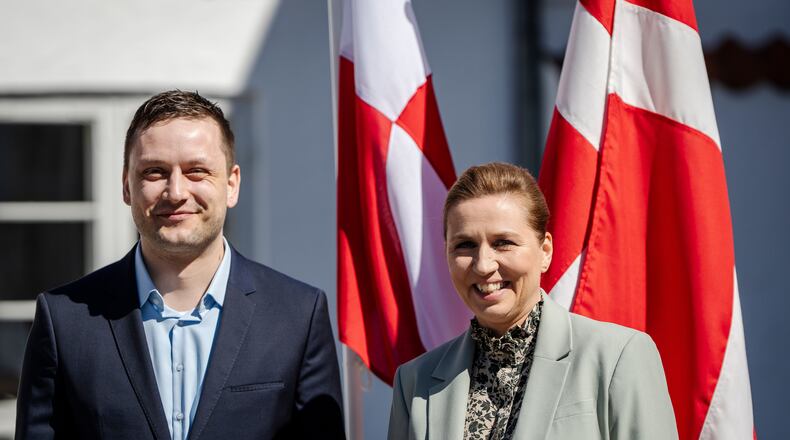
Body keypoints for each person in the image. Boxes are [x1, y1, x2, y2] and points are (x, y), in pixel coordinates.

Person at [15, 90, 345, 440]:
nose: (175, 192)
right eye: (155, 172)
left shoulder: (297, 316)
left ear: (231, 184)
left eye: (197, 171)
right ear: (126, 185)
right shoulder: (65, 321)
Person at [388, 162, 677, 439]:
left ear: (545, 251)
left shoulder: (617, 357)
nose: (483, 264)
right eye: (465, 245)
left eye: (503, 242)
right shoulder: (414, 382)